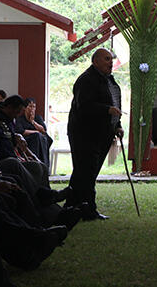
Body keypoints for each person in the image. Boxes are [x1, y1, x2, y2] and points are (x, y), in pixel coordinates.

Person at [66, 48, 123, 221]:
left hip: (103, 133)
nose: (110, 62)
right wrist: (107, 110)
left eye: (111, 59)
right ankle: (88, 210)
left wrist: (117, 125)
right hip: (85, 134)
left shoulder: (108, 80)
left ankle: (72, 206)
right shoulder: (86, 80)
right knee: (86, 172)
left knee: (86, 173)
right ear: (95, 61)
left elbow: (114, 104)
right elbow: (83, 106)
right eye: (106, 59)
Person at [13, 98, 53, 168]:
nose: (32, 109)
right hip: (27, 139)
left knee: (44, 138)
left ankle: (44, 165)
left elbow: (43, 130)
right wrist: (36, 132)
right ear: (25, 108)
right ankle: (36, 164)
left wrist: (33, 122)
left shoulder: (38, 118)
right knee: (37, 136)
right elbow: (21, 131)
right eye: (30, 106)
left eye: (34, 107)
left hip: (40, 139)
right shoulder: (20, 119)